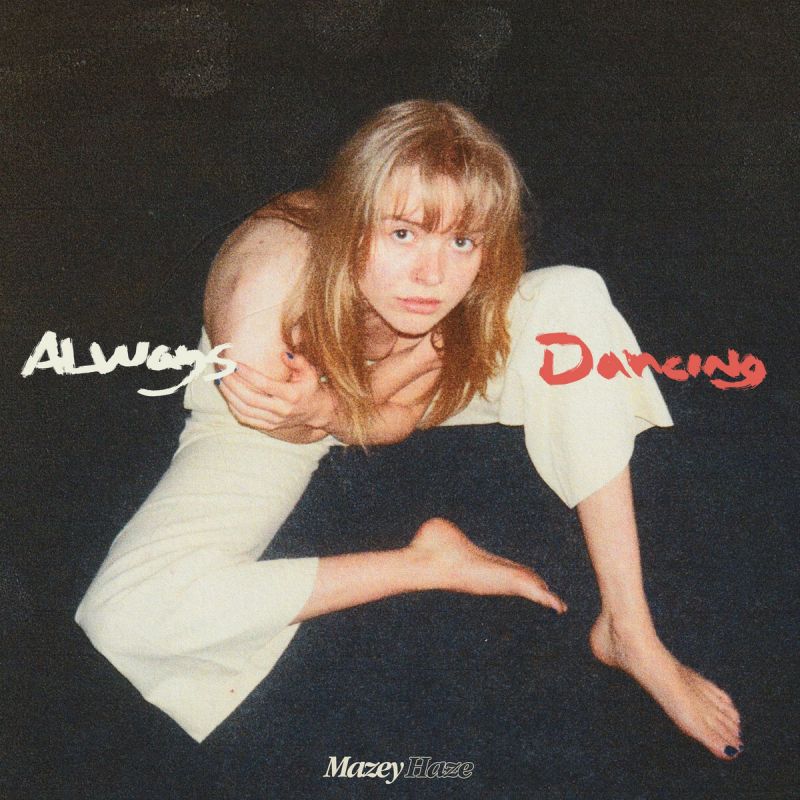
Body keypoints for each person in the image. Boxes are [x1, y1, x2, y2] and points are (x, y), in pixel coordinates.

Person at [75, 100, 742, 759]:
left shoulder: (456, 291)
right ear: (351, 220)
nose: (432, 276)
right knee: (125, 616)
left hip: (357, 389)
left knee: (573, 298)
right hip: (267, 421)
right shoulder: (266, 293)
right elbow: (292, 420)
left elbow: (394, 419)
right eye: (402, 234)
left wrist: (342, 406)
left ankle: (629, 628)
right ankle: (428, 563)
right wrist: (325, 411)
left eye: (461, 241)